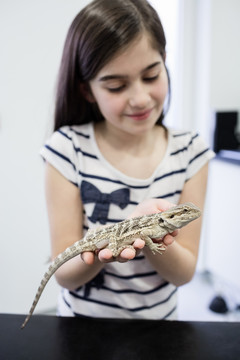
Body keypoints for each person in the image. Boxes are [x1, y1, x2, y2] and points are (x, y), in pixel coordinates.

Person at [40, 0, 214, 320]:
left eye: (151, 75)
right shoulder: (66, 148)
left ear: (164, 62)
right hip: (81, 326)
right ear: (88, 90)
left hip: (160, 327)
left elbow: (184, 272)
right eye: (117, 85)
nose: (140, 99)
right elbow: (63, 272)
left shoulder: (191, 151)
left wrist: (147, 238)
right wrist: (102, 249)